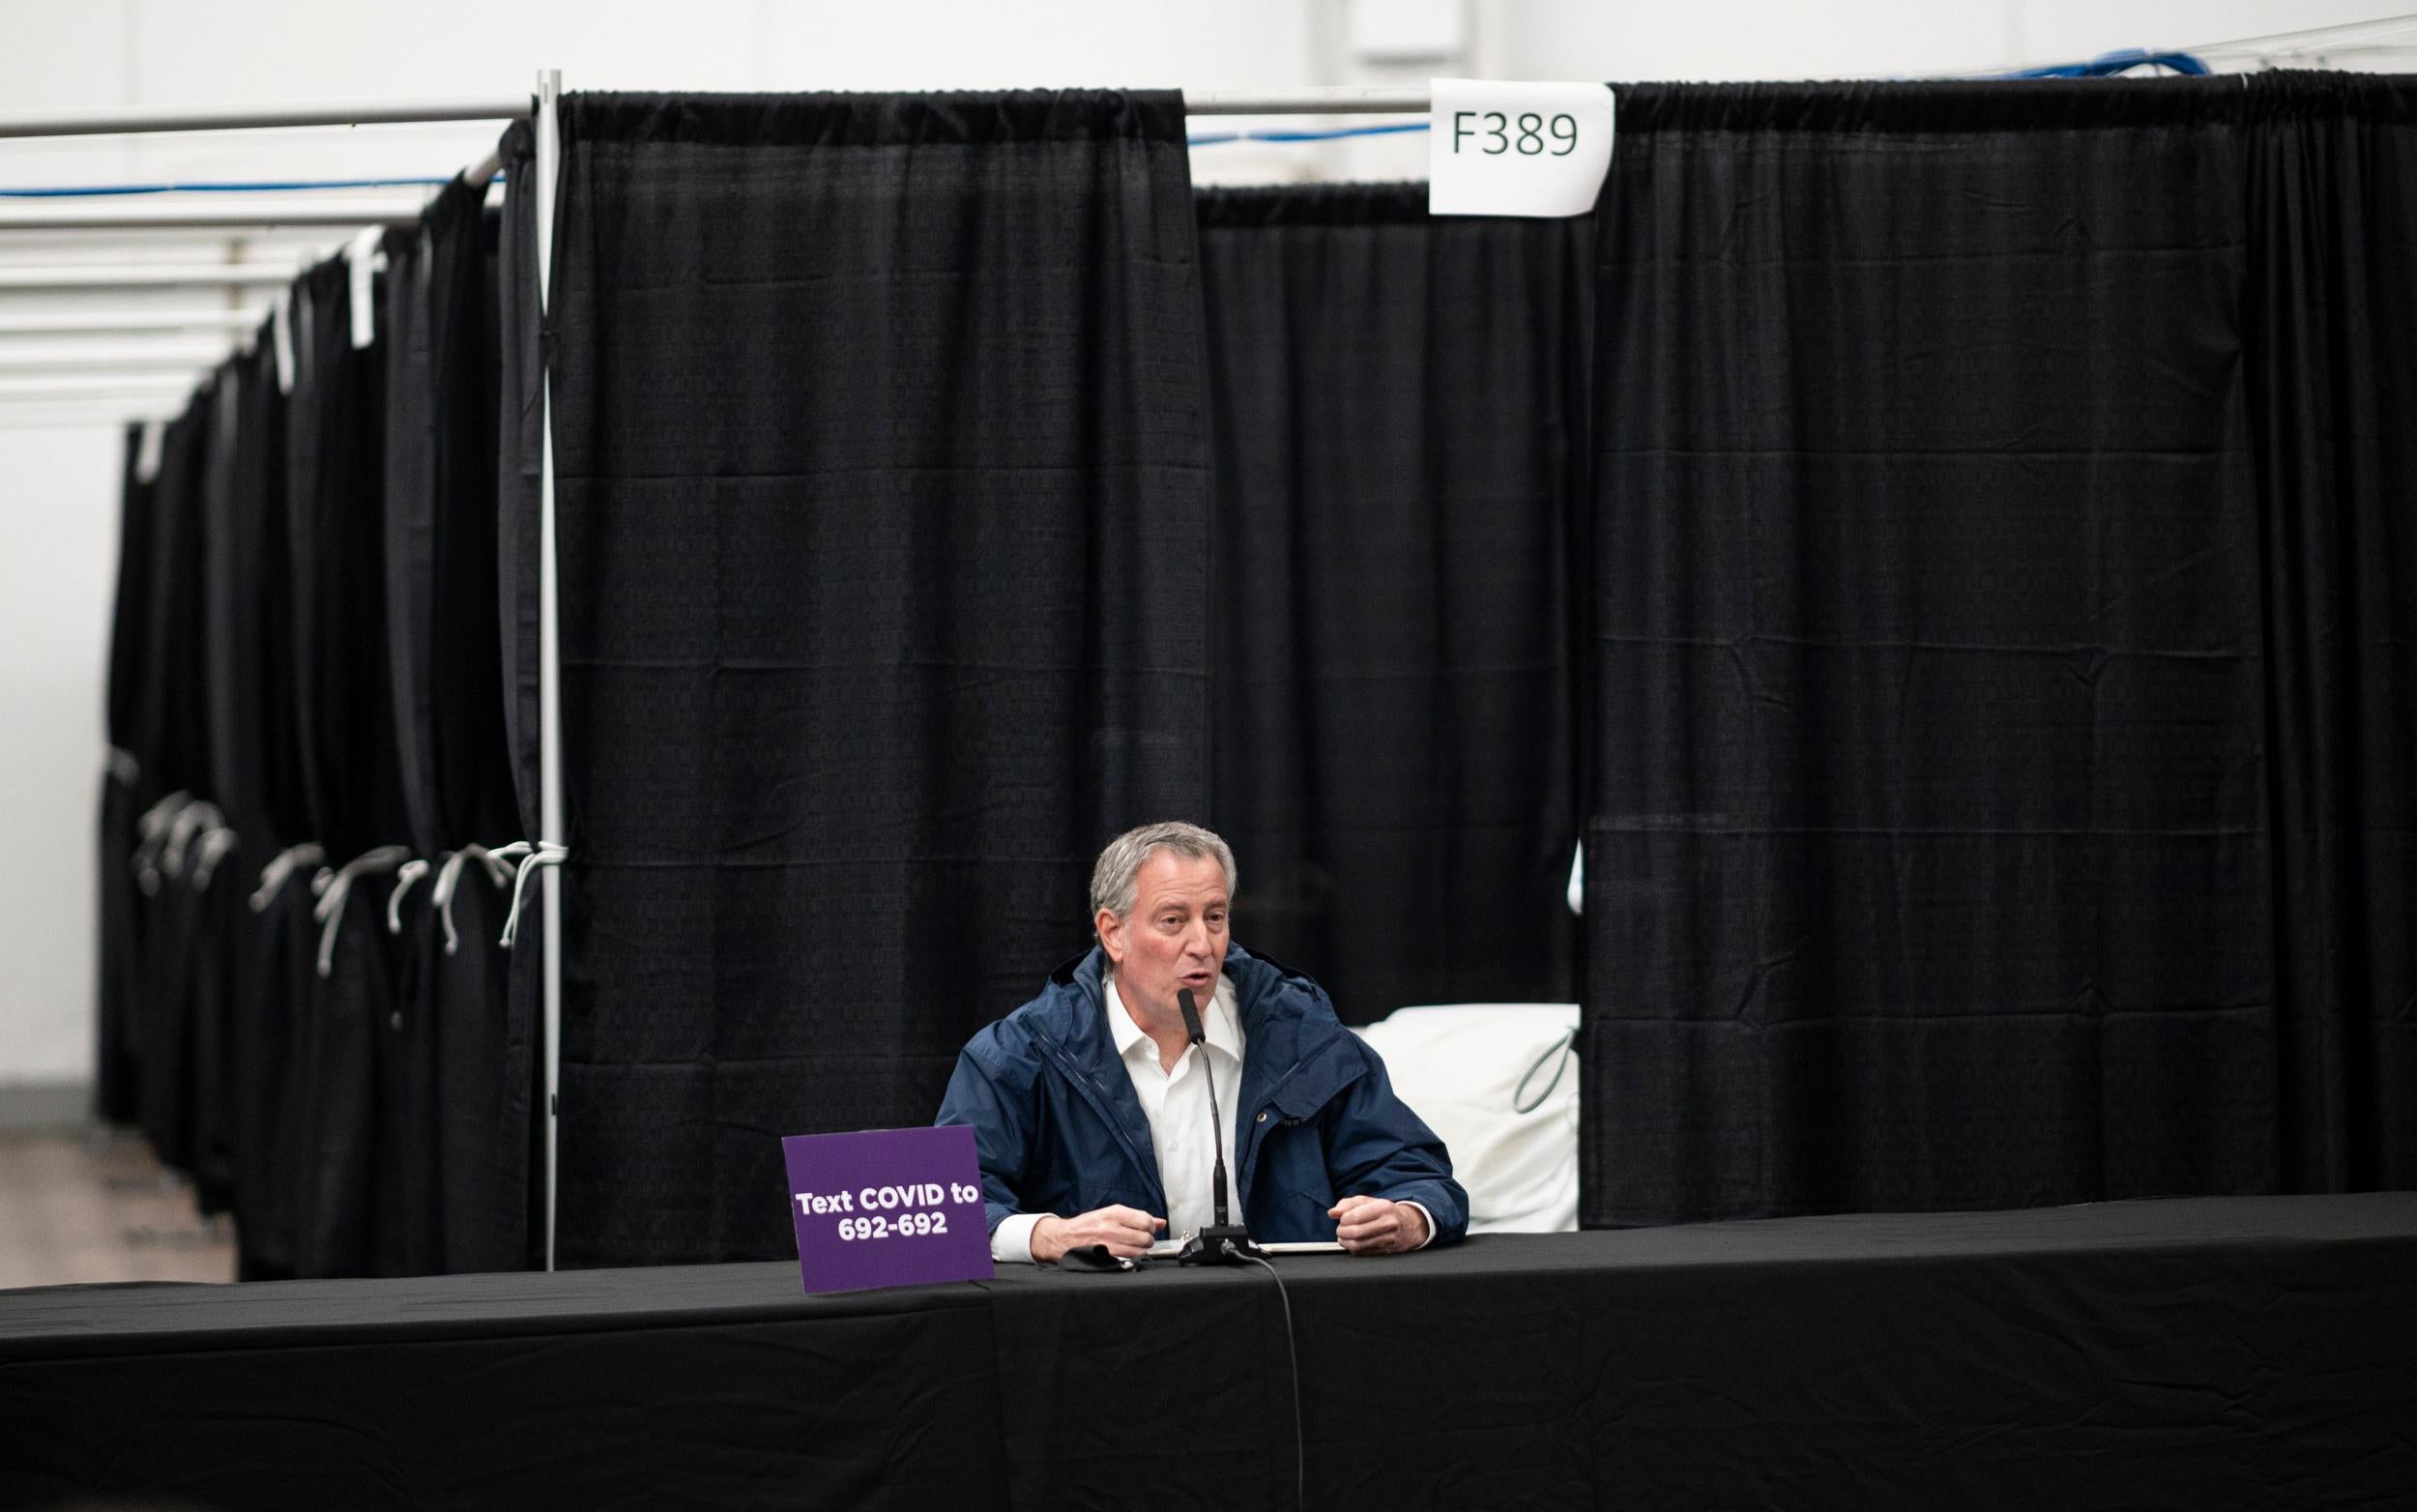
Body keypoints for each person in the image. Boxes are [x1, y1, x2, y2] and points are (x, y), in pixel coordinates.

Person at [936, 821, 1469, 1263]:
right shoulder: (1022, 1053)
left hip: (1282, 1323)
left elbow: (1421, 1179)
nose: (1202, 945)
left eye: (1215, 918)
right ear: (1113, 932)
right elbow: (950, 1208)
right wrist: (1046, 1236)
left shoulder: (1302, 1036)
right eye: (1173, 921)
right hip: (1101, 1336)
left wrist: (1405, 1217)